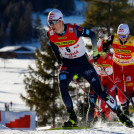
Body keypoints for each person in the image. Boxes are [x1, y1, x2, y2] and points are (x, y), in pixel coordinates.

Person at [47, 9, 133, 128]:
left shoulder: (74, 29)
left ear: (61, 21)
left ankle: (121, 115)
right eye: (49, 22)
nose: (51, 25)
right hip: (68, 64)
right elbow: (53, 44)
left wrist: (95, 53)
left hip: (83, 63)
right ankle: (73, 118)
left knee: (100, 92)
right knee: (62, 86)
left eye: (53, 22)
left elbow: (92, 35)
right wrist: (59, 59)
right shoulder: (50, 34)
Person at [102, 24, 134, 117]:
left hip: (129, 66)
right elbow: (104, 43)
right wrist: (104, 52)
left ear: (128, 34)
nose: (122, 38)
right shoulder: (113, 38)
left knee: (129, 88)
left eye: (124, 36)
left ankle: (130, 104)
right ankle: (124, 108)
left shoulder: (132, 41)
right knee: (119, 88)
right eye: (120, 36)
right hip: (117, 67)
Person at [88, 35, 117, 126]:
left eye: (105, 51)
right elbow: (84, 63)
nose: (103, 54)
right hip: (98, 78)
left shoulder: (111, 57)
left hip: (109, 79)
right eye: (101, 51)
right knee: (96, 97)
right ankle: (96, 116)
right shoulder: (93, 56)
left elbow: (119, 66)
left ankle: (109, 114)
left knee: (110, 96)